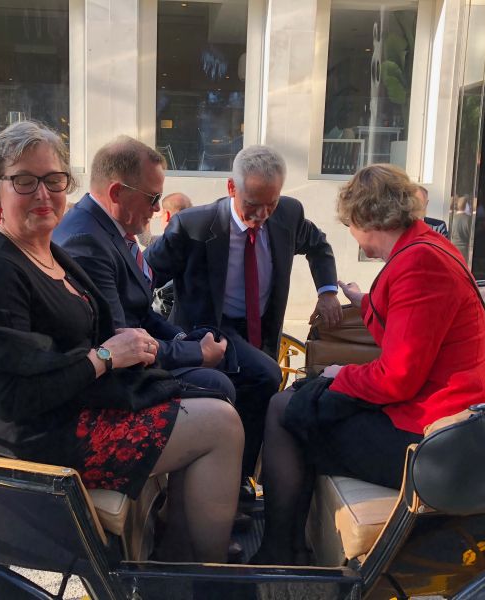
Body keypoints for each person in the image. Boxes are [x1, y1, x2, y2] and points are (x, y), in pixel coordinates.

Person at [0, 121, 243, 563]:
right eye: (24, 181)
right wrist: (104, 357)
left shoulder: (45, 251)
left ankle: (175, 556)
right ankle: (205, 574)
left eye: (54, 180)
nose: (43, 194)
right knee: (221, 426)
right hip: (41, 434)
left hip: (77, 406)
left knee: (212, 396)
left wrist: (124, 347)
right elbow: (12, 398)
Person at [253, 164, 485, 564]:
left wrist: (339, 375)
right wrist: (362, 302)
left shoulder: (420, 263)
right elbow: (409, 322)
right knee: (296, 400)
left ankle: (279, 552)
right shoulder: (426, 248)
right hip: (429, 415)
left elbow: (397, 377)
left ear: (365, 217)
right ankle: (289, 546)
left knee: (286, 409)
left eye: (349, 223)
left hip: (432, 436)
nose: (350, 232)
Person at [145, 144, 343, 492]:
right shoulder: (193, 226)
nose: (262, 214)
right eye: (252, 204)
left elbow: (318, 245)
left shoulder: (289, 214)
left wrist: (327, 291)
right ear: (231, 188)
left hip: (259, 330)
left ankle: (239, 479)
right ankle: (228, 482)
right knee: (266, 376)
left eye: (271, 203)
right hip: (207, 332)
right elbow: (144, 276)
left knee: (256, 394)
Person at [52, 137, 234, 401]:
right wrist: (197, 353)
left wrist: (184, 339)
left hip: (135, 357)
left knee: (242, 366)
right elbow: (118, 340)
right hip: (113, 381)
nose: (158, 208)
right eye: (153, 197)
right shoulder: (86, 242)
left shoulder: (110, 229)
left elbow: (141, 312)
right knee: (217, 385)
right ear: (116, 193)